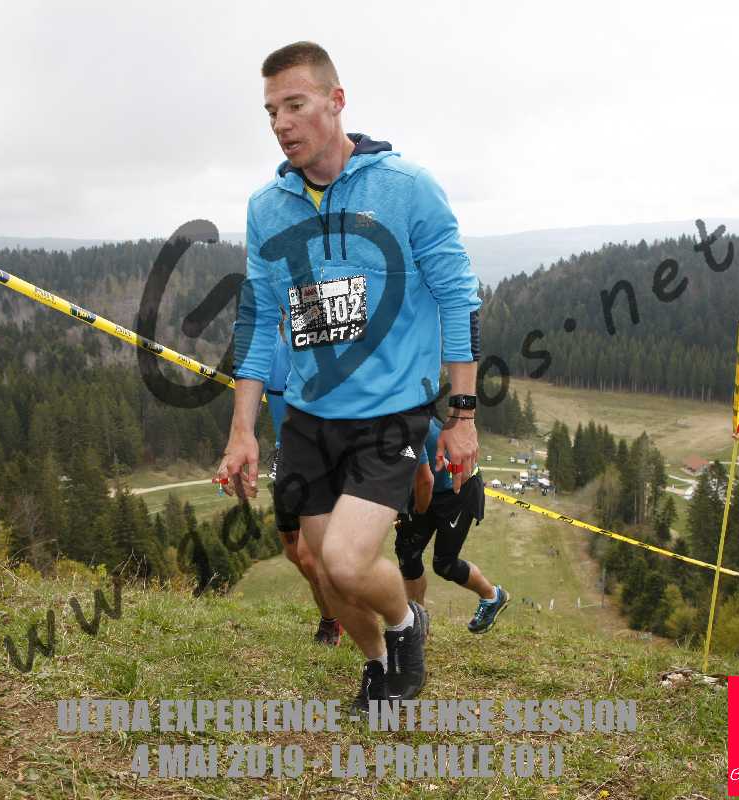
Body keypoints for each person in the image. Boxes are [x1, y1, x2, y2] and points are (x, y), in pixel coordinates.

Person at [216, 41, 482, 710]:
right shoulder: (267, 206)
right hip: (309, 418)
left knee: (346, 559)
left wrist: (462, 415)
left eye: (295, 105)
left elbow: (458, 298)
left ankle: (405, 621)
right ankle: (376, 663)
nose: (281, 124)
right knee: (323, 571)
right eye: (271, 111)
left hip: (390, 414)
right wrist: (242, 431)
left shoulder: (406, 187)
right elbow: (258, 321)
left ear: (337, 101)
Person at [265, 324, 343, 646]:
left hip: (323, 458)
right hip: (284, 458)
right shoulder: (271, 347)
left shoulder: (323, 346)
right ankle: (331, 616)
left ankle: (336, 617)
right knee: (294, 553)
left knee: (308, 555)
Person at [396, 416, 511, 633]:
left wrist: (410, 512)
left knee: (444, 564)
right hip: (428, 483)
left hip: (458, 488)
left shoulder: (402, 426)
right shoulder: (377, 425)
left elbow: (423, 480)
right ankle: (417, 625)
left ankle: (492, 596)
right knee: (407, 553)